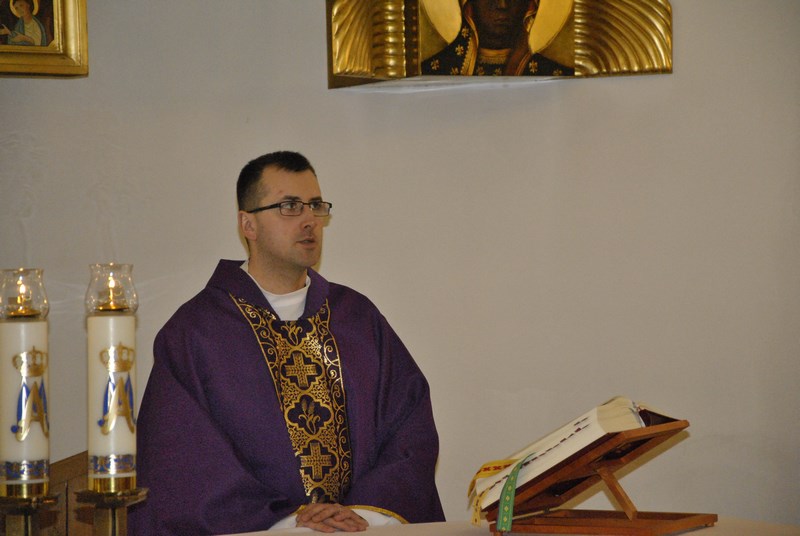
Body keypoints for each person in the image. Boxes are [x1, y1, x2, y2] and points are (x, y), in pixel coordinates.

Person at [129, 151, 445, 535]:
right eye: (290, 206)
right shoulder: (196, 333)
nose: (309, 220)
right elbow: (182, 462)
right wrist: (289, 523)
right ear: (248, 224)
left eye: (316, 206)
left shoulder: (357, 318)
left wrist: (365, 514)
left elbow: (409, 427)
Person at [422, 0, 573, 76]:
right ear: (468, 3)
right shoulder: (434, 71)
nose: (502, 5)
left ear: (530, 5)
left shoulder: (554, 74)